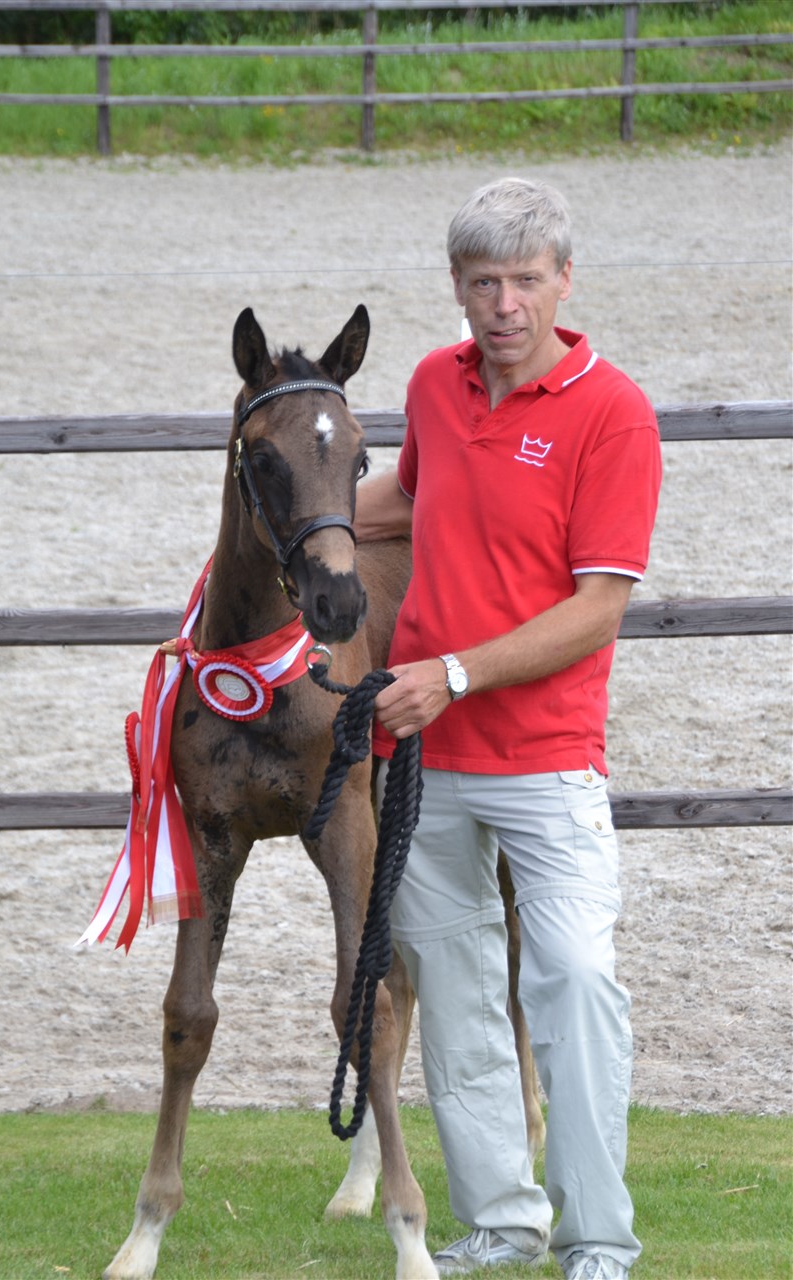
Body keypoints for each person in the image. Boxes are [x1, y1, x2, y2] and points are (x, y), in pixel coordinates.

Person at [355, 178, 662, 1280]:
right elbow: (411, 496)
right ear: (457, 287)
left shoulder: (612, 410)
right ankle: (502, 1220)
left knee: (574, 977)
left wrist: (452, 672)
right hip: (426, 756)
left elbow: (598, 607)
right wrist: (294, 513)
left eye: (526, 280)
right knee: (454, 992)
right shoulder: (436, 385)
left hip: (546, 756)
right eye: (483, 282)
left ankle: (597, 1239)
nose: (505, 303)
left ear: (563, 281)